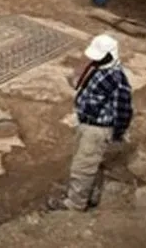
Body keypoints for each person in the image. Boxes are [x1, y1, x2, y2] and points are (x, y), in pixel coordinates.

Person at [48, 34, 133, 211]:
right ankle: (90, 193)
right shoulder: (100, 68)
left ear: (111, 55)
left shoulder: (116, 79)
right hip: (87, 123)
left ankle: (75, 204)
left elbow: (124, 109)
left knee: (83, 166)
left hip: (98, 129)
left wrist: (118, 134)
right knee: (88, 161)